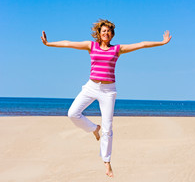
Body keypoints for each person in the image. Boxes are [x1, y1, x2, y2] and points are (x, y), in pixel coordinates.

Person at [41, 19, 172, 177]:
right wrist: (49, 44)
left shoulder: (117, 49)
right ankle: (93, 128)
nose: (106, 33)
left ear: (112, 35)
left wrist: (162, 42)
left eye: (109, 31)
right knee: (72, 113)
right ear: (99, 33)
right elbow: (69, 43)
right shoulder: (91, 46)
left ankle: (107, 162)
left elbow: (142, 44)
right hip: (91, 86)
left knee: (108, 128)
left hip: (108, 91)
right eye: (103, 31)